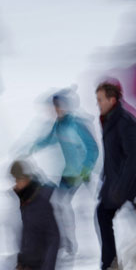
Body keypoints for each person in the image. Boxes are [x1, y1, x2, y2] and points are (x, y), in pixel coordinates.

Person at [88, 82, 136, 270]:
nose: (98, 104)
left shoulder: (126, 122)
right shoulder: (109, 119)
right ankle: (110, 268)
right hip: (116, 184)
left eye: (100, 100)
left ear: (112, 100)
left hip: (134, 185)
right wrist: (106, 181)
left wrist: (120, 187)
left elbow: (135, 158)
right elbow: (113, 155)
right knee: (103, 214)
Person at [29, 88, 98, 256]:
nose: (55, 110)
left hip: (82, 175)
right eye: (53, 107)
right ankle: (69, 244)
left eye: (57, 106)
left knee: (84, 208)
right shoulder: (59, 125)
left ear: (65, 106)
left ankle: (89, 247)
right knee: (58, 205)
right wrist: (34, 147)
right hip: (68, 174)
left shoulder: (76, 124)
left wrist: (86, 169)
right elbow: (49, 139)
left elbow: (92, 148)